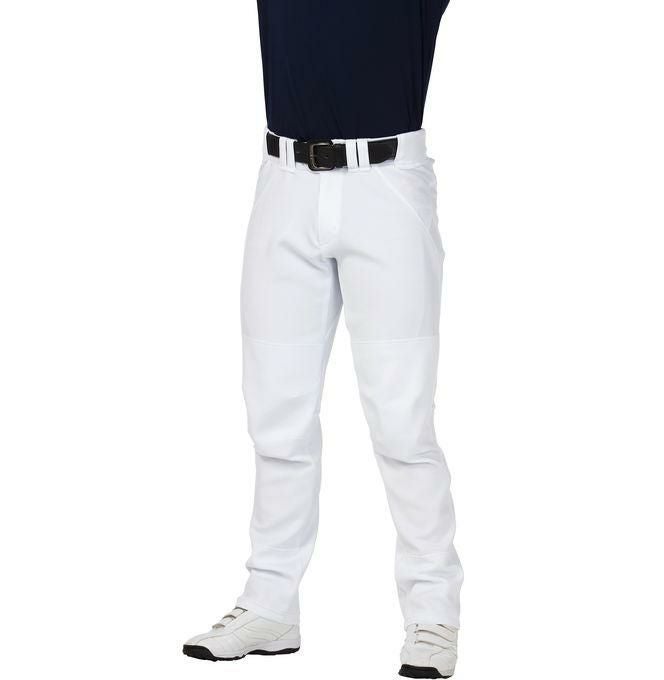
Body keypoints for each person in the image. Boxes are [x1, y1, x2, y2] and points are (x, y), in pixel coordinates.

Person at [183, 1, 463, 677]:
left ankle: (433, 613)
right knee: (275, 415)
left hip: (385, 184)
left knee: (401, 422)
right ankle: (270, 603)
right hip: (284, 182)